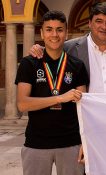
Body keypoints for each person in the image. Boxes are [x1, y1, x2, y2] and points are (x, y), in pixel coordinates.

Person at [15, 10, 89, 175]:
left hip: (71, 144)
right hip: (36, 143)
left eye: (59, 29)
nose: (54, 34)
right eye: (49, 29)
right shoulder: (29, 63)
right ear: (41, 33)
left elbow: (82, 109)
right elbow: (22, 104)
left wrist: (85, 142)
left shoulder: (77, 65)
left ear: (66, 33)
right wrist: (61, 97)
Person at [30, 1, 106, 93]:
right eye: (99, 21)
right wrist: (38, 49)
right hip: (83, 113)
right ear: (89, 23)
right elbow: (51, 51)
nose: (104, 27)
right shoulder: (69, 47)